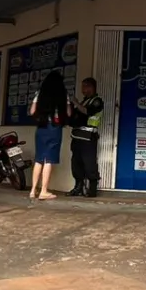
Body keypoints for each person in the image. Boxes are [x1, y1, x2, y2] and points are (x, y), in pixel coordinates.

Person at [27, 69, 68, 200]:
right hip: (55, 129)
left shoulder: (40, 93)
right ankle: (44, 191)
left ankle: (33, 191)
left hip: (41, 128)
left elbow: (32, 111)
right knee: (49, 159)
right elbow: (69, 113)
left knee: (39, 159)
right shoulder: (63, 94)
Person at [68, 77, 104, 197]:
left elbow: (87, 112)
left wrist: (76, 103)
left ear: (91, 87)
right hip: (77, 136)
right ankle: (78, 187)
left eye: (85, 86)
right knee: (76, 163)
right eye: (82, 87)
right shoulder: (84, 101)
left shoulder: (97, 101)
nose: (83, 89)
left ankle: (92, 190)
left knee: (89, 164)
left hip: (89, 137)